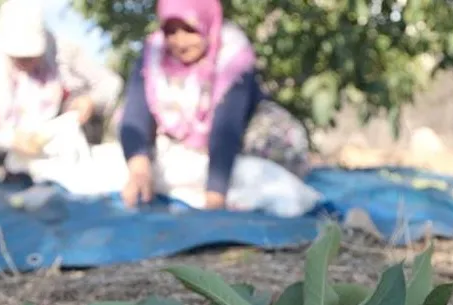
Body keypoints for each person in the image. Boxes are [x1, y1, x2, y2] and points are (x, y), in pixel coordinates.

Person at [118, 0, 312, 211]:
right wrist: (139, 171)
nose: (180, 41)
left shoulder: (233, 55)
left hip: (243, 138)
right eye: (171, 31)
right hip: (195, 144)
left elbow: (226, 127)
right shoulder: (153, 54)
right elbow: (135, 114)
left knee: (265, 160)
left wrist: (214, 197)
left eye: (190, 30)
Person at [0, 0, 123, 173]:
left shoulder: (62, 49)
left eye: (32, 56)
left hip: (62, 151)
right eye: (19, 57)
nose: (26, 62)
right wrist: (11, 140)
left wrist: (91, 101)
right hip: (6, 156)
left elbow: (111, 83)